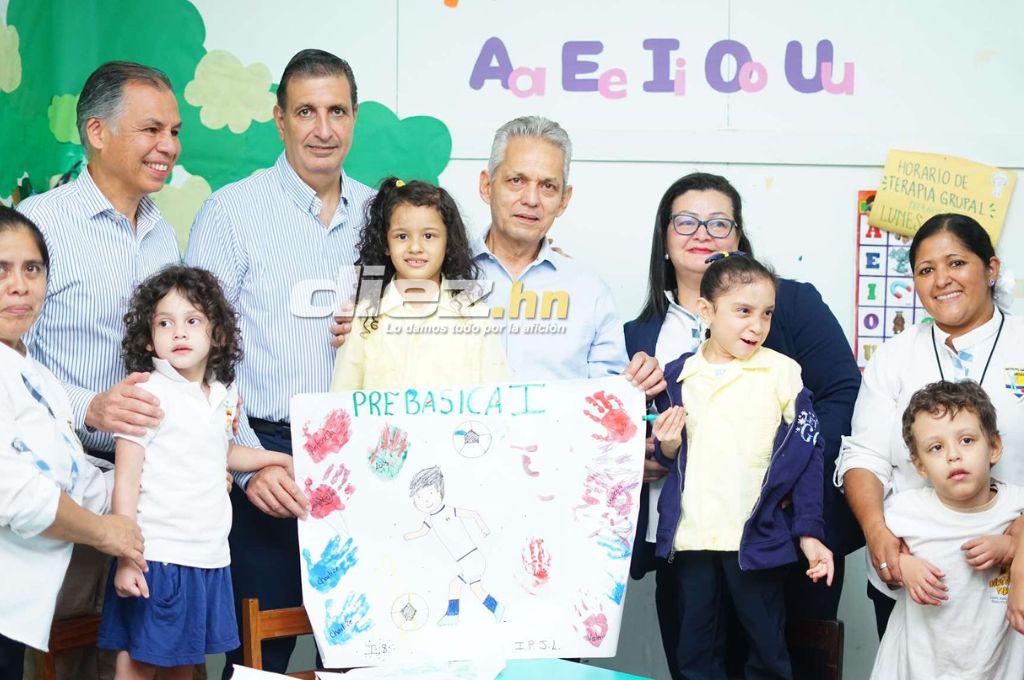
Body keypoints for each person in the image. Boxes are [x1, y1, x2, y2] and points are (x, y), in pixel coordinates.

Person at [625, 172, 861, 678]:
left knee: (779, 661)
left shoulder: (789, 305)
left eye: (719, 222)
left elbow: (841, 395)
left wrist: (789, 486)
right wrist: (643, 455)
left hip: (782, 537)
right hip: (687, 544)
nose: (702, 233)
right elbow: (628, 432)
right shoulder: (640, 336)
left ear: (739, 237)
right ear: (664, 240)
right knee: (696, 660)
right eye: (686, 221)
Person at [185, 48, 374, 675]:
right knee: (260, 661)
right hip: (266, 460)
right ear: (279, 119)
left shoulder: (384, 219)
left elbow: (385, 336)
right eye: (306, 112)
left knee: (363, 655)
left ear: (354, 118)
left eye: (337, 111)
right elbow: (198, 352)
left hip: (362, 468)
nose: (323, 129)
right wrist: (246, 467)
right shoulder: (231, 213)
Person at [16, 61, 181, 678]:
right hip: (67, 495)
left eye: (174, 130)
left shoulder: (165, 234)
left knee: (153, 659)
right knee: (71, 657)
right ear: (96, 131)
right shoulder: (42, 227)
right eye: (151, 129)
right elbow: (8, 358)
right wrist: (84, 405)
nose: (168, 146)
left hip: (153, 495)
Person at [96, 265, 293, 679]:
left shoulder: (223, 395)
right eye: (165, 323)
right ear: (150, 338)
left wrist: (275, 459)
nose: (179, 333)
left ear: (217, 333)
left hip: (209, 557)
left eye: (192, 321)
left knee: (186, 663)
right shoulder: (146, 394)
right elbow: (126, 480)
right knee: (138, 660)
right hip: (158, 555)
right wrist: (128, 557)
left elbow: (220, 452)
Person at [837, 213, 1024, 638]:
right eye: (926, 270)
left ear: (991, 269)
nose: (942, 280)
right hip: (917, 574)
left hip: (1015, 577)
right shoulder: (894, 357)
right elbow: (864, 455)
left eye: (956, 263)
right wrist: (877, 532)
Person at [649, 251, 833, 678]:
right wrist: (669, 445)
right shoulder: (678, 376)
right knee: (695, 654)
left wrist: (809, 532)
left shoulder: (783, 373)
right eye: (743, 311)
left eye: (767, 313)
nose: (757, 325)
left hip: (757, 540)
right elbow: (666, 458)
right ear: (707, 311)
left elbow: (809, 454)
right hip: (692, 540)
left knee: (768, 650)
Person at [0, 207, 146, 680]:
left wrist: (176, 477)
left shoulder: (35, 373)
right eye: (0, 270)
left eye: (32, 268)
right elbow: (13, 491)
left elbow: (75, 475)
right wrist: (104, 532)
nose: (19, 286)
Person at [472, 115, 663, 394]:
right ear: (487, 186)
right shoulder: (443, 274)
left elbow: (610, 398)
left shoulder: (588, 291)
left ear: (564, 199)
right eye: (516, 180)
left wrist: (638, 386)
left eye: (548, 186)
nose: (531, 199)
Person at [870, 380, 1024, 678]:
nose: (953, 455)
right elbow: (884, 562)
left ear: (994, 447)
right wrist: (905, 566)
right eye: (936, 447)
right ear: (920, 466)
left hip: (995, 666)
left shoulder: (1015, 505)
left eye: (966, 440)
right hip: (918, 665)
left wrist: (1012, 547)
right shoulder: (905, 511)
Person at [331, 178, 507, 391]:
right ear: (386, 244)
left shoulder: (475, 316)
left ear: (448, 242)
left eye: (429, 236)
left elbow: (497, 399)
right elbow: (342, 399)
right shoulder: (364, 318)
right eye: (402, 236)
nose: (415, 247)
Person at [403, 466, 504, 625]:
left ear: (440, 492)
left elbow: (473, 514)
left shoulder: (449, 511)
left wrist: (484, 529)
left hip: (472, 557)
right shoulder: (430, 519)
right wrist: (407, 536)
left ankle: (452, 616)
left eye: (430, 493)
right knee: (475, 588)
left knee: (455, 585)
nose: (426, 500)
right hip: (466, 561)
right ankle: (496, 608)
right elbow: (422, 532)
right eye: (420, 497)